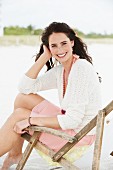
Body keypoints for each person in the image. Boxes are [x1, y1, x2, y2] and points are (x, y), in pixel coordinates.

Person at [0, 22, 101, 169]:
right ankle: (15, 153)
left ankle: (14, 153)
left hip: (77, 138)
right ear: (48, 47)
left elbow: (73, 120)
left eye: (64, 43)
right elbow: (24, 87)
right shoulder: (61, 70)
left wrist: (29, 120)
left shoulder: (81, 68)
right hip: (70, 125)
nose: (59, 49)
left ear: (72, 42)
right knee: (22, 98)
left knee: (20, 115)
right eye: (54, 46)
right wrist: (44, 57)